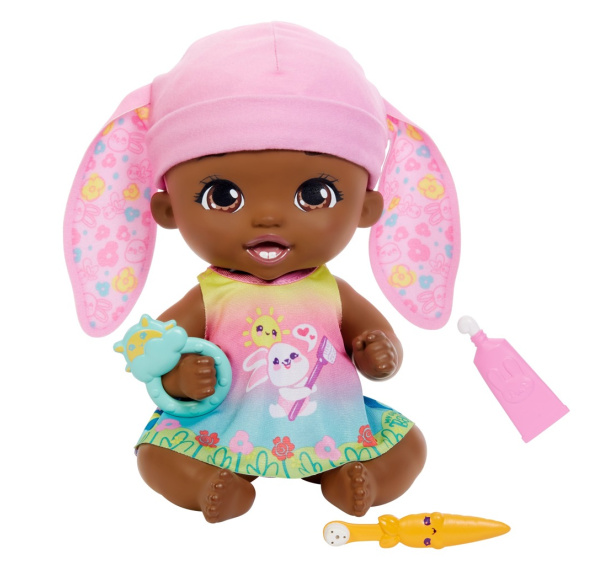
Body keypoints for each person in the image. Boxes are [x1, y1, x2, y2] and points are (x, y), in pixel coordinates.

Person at [65, 22, 460, 523]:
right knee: (156, 455)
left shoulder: (333, 292)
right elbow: (157, 353)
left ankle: (359, 477)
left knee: (409, 446)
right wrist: (180, 378)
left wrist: (379, 353)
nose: (269, 217)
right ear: (167, 210)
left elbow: (379, 343)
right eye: (223, 196)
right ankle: (209, 482)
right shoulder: (210, 296)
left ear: (366, 208)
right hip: (223, 429)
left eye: (314, 195)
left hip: (332, 424)